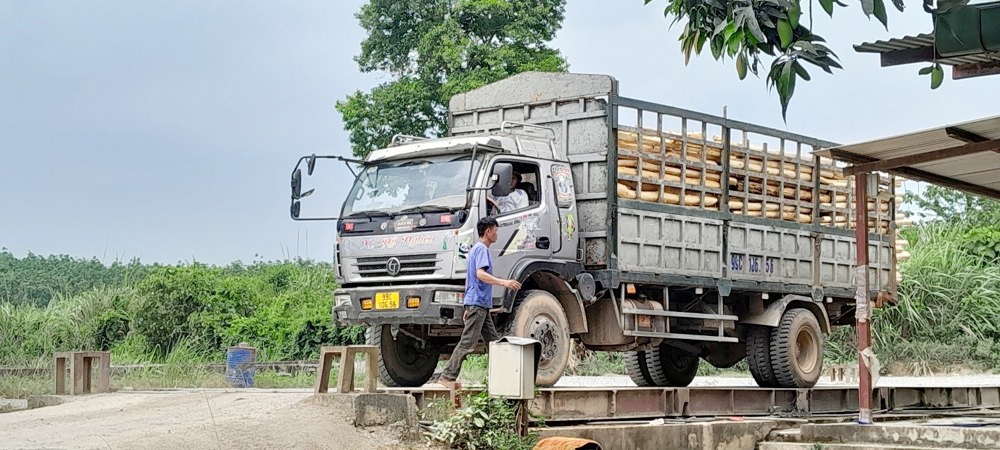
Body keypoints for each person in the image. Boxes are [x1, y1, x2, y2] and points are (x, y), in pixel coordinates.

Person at [437, 217, 522, 390]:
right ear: (488, 231)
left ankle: (503, 379)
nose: (497, 233)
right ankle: (447, 376)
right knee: (468, 343)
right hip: (478, 304)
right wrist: (503, 283)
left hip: (479, 304)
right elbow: (479, 274)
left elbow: (469, 279)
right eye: (496, 230)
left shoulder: (475, 249)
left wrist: (467, 305)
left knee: (495, 342)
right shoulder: (482, 249)